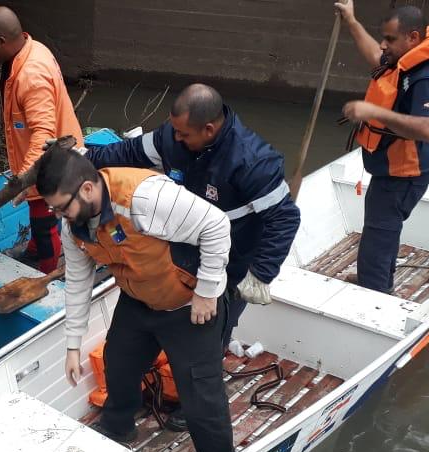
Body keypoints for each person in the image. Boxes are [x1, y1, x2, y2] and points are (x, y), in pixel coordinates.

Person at [84, 83, 300, 430]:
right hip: (181, 253)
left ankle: (193, 402)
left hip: (231, 260)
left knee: (211, 337)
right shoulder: (174, 138)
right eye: (175, 130)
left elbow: (284, 217)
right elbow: (127, 153)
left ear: (209, 129)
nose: (176, 138)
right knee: (135, 343)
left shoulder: (252, 160)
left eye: (184, 134)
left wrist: (261, 273)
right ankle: (130, 405)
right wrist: (81, 161)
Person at [36, 146, 236, 452]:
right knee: (118, 362)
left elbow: (217, 225)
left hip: (187, 302)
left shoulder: (143, 198)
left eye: (61, 208)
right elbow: (77, 283)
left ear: (87, 188)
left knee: (200, 392)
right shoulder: (75, 225)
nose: (60, 216)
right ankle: (118, 426)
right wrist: (73, 345)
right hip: (139, 298)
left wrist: (207, 291)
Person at [335, 2, 429, 293]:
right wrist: (351, 21)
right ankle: (373, 279)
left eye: (390, 39)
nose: (383, 44)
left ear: (413, 37)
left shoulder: (427, 77)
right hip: (391, 168)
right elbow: (377, 57)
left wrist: (373, 112)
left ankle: (374, 295)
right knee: (382, 231)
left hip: (405, 174)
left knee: (379, 236)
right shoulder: (409, 59)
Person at [0, 6, 84, 273]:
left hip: (52, 163)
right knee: (35, 207)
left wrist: (25, 179)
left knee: (43, 220)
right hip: (40, 157)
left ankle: (46, 273)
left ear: (3, 41)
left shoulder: (31, 75)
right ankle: (35, 250)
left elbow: (43, 133)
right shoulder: (30, 49)